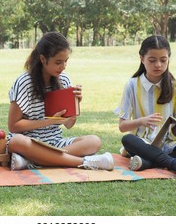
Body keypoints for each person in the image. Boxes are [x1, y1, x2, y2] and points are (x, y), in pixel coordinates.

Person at [7, 32, 114, 171]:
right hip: (29, 141)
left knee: (94, 141)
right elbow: (13, 126)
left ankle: (34, 161)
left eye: (66, 61)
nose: (63, 66)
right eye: (58, 62)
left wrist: (75, 105)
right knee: (16, 141)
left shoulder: (64, 80)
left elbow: (69, 124)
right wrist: (50, 121)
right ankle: (84, 162)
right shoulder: (24, 82)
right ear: (43, 59)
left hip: (56, 143)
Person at [114, 35, 176, 178]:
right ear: (142, 58)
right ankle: (175, 164)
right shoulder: (132, 85)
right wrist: (141, 121)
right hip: (143, 143)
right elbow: (122, 127)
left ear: (168, 59)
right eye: (152, 60)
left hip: (170, 143)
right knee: (127, 140)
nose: (158, 65)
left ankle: (148, 163)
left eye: (163, 60)